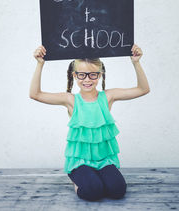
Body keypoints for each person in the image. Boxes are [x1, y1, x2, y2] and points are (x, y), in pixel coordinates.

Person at [29, 44, 150, 201]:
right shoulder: (70, 100)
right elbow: (35, 94)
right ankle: (77, 180)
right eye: (82, 75)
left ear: (100, 75)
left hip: (103, 160)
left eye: (93, 75)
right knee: (93, 192)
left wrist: (136, 62)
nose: (87, 79)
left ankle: (97, 177)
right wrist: (40, 64)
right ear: (74, 75)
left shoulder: (108, 97)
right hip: (80, 161)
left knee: (117, 191)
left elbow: (143, 89)